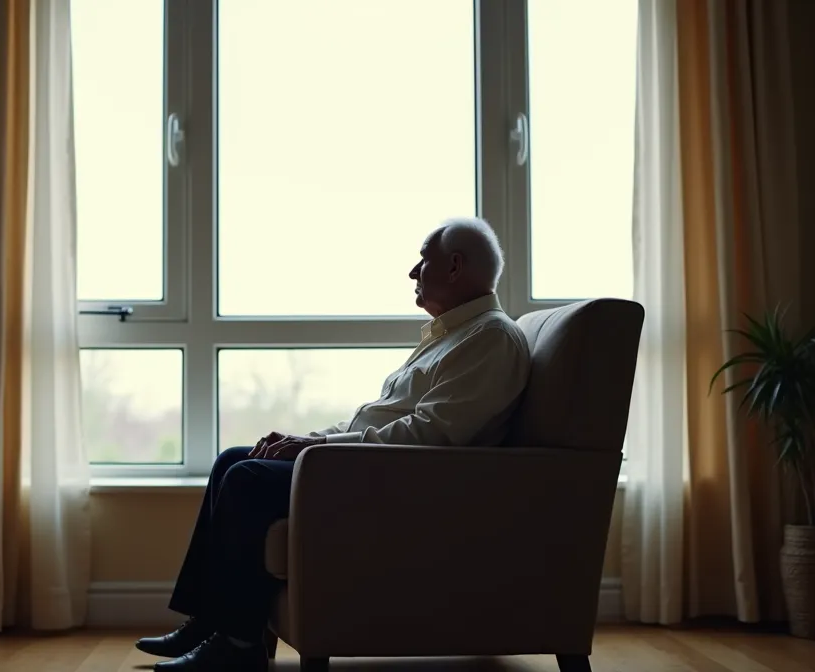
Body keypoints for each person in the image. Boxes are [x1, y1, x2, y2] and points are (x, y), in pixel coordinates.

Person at [137, 217, 533, 671]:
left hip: (397, 483)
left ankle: (238, 646)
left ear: (456, 266)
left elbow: (431, 436)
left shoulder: (491, 338)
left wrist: (316, 452)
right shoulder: (453, 337)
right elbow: (381, 421)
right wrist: (310, 440)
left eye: (424, 259)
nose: (412, 272)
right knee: (233, 460)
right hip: (367, 465)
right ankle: (209, 621)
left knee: (247, 479)